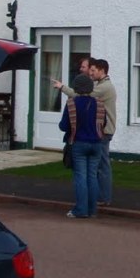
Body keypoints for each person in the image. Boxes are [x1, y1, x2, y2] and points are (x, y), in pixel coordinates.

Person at [57, 74, 104, 219]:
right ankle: (92, 210)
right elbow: (104, 124)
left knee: (80, 177)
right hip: (96, 143)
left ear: (76, 87)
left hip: (79, 143)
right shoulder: (99, 104)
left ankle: (81, 209)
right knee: (92, 176)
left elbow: (63, 126)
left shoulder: (71, 103)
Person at [90, 58, 118, 206]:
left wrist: (63, 87)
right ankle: (100, 195)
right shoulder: (102, 85)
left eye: (93, 70)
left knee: (102, 165)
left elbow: (83, 95)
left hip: (104, 130)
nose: (91, 73)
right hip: (104, 129)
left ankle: (104, 197)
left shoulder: (104, 87)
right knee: (100, 164)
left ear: (102, 70)